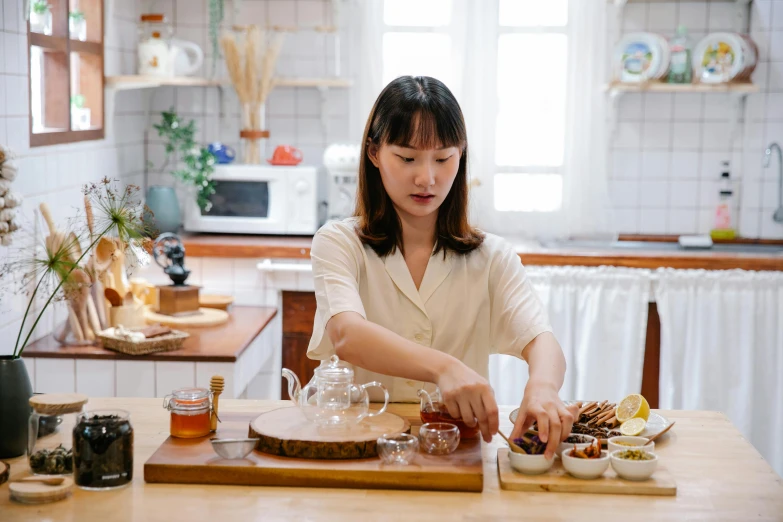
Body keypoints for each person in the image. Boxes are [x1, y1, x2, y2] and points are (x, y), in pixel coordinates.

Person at [307, 76, 576, 458]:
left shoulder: (492, 256)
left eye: (443, 158)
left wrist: (545, 386)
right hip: (355, 444)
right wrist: (444, 368)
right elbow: (347, 335)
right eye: (407, 158)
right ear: (373, 153)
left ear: (460, 155)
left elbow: (542, 340)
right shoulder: (339, 242)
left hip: (455, 450)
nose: (426, 178)